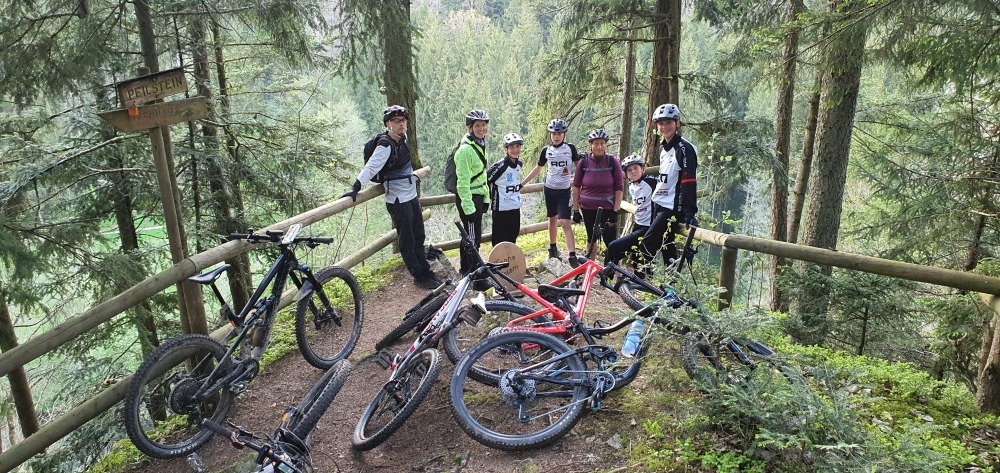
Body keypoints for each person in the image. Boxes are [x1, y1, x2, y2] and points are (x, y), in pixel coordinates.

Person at [340, 105, 442, 290]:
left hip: (410, 196)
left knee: (418, 235)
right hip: (398, 200)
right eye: (396, 121)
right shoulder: (385, 145)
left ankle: (425, 271)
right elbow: (371, 168)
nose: (401, 124)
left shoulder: (402, 139)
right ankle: (419, 276)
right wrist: (356, 187)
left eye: (403, 120)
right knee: (407, 239)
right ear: (388, 124)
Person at [638, 103, 698, 268]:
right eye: (661, 123)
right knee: (667, 247)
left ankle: (642, 280)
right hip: (659, 203)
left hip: (671, 207)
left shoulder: (684, 148)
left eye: (668, 122)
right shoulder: (663, 148)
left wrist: (689, 211)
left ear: (677, 123)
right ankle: (670, 282)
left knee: (647, 245)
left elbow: (688, 180)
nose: (664, 127)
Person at [520, 118, 580, 262]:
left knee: (565, 222)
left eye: (559, 134)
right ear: (550, 135)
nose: (556, 136)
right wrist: (522, 183)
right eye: (553, 134)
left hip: (564, 191)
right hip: (550, 190)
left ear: (564, 134)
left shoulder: (570, 148)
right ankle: (553, 250)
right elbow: (538, 169)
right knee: (552, 219)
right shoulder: (546, 150)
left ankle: (572, 255)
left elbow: (579, 167)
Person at [571, 129, 623, 266]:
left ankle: (618, 273)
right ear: (591, 145)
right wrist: (575, 210)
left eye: (602, 143)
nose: (599, 147)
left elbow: (619, 188)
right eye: (596, 144)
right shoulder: (583, 162)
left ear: (606, 144)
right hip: (588, 208)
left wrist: (615, 211)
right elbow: (576, 186)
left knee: (611, 241)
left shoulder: (612, 162)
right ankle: (590, 269)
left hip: (608, 208)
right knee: (591, 238)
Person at [454, 109, 492, 276]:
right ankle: (473, 274)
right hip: (469, 198)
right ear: (470, 127)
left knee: (472, 236)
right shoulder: (465, 150)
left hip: (477, 196)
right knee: (472, 238)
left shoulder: (479, 145)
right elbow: (462, 182)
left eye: (484, 125)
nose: (481, 129)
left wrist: (486, 198)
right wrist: (469, 207)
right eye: (477, 125)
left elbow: (481, 175)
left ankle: (467, 270)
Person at [604, 154, 658, 269]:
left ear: (643, 169)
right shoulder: (632, 185)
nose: (633, 171)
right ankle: (611, 275)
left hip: (649, 228)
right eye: (629, 170)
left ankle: (606, 274)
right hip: (638, 225)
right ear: (626, 174)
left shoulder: (652, 183)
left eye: (635, 168)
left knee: (614, 247)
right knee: (635, 259)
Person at [487, 133, 525, 245]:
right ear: (506, 149)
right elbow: (486, 180)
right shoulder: (500, 166)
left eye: (518, 146)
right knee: (498, 242)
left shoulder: (519, 164)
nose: (515, 150)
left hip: (515, 208)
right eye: (512, 147)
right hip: (500, 209)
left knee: (512, 239)